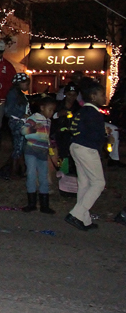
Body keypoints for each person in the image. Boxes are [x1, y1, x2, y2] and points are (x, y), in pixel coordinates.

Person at [65, 82, 107, 231]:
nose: (105, 97)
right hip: (87, 149)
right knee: (98, 183)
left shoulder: (81, 111)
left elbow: (74, 128)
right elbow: (97, 136)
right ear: (93, 96)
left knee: (84, 183)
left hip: (76, 146)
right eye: (102, 95)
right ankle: (76, 214)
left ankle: (84, 219)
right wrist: (107, 137)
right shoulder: (94, 114)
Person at [22, 96, 57, 214]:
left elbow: (46, 137)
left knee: (43, 176)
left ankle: (44, 205)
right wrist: (33, 128)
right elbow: (23, 131)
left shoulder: (48, 121)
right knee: (31, 175)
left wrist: (50, 145)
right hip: (31, 150)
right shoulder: (34, 118)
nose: (51, 113)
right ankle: (31, 204)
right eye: (50, 109)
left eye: (53, 110)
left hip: (43, 151)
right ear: (42, 108)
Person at [53, 82, 81, 196]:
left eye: (74, 94)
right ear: (65, 94)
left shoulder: (78, 107)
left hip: (72, 135)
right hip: (59, 134)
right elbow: (50, 117)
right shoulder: (58, 105)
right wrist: (59, 114)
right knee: (61, 155)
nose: (71, 97)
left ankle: (72, 181)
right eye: (69, 94)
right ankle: (61, 174)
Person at [4, 72, 31, 178]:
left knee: (20, 146)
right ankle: (14, 171)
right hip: (17, 122)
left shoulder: (19, 93)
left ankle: (20, 170)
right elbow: (8, 110)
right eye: (26, 84)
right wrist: (21, 114)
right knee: (18, 147)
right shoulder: (13, 93)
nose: (27, 86)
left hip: (20, 121)